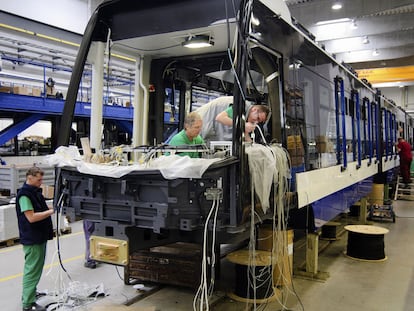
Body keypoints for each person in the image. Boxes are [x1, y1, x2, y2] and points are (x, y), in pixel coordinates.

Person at [16, 166, 54, 311]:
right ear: (29, 178)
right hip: (32, 238)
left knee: (36, 269)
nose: (41, 182)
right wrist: (51, 211)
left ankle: (30, 293)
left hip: (39, 236)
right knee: (32, 270)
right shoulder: (25, 195)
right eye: (39, 180)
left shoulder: (35, 192)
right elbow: (31, 217)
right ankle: (28, 304)